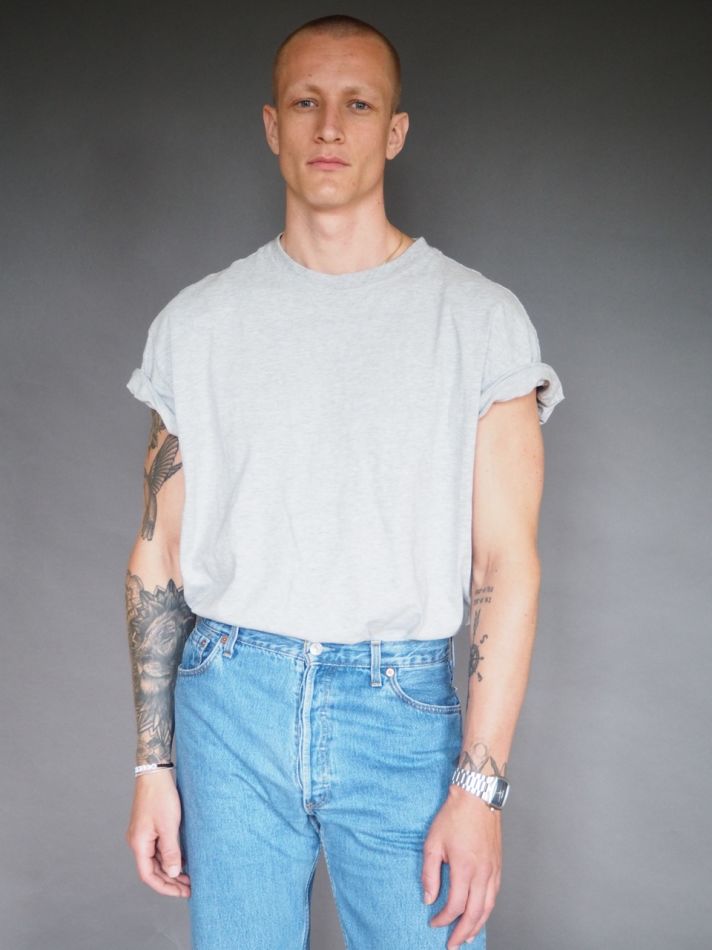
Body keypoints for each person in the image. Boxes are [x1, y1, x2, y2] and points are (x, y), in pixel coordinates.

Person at [123, 13, 564, 950]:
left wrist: (480, 789)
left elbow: (506, 566)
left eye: (358, 105)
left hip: (399, 713)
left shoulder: (480, 320)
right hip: (229, 705)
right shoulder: (196, 324)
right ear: (271, 125)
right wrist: (152, 766)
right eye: (305, 103)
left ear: (394, 131)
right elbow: (157, 554)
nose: (329, 127)